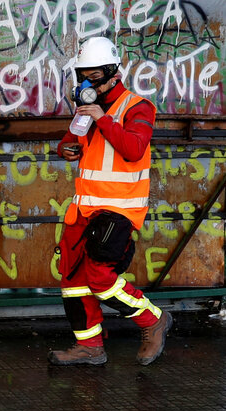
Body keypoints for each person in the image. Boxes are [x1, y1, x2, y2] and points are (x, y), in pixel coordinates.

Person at [49, 36, 171, 366]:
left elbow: (133, 149)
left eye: (93, 76)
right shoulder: (88, 108)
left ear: (112, 74)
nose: (87, 82)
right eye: (82, 75)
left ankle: (152, 320)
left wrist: (102, 117)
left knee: (100, 278)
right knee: (72, 280)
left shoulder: (138, 107)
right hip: (84, 206)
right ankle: (90, 347)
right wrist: (66, 149)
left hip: (119, 208)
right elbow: (69, 141)